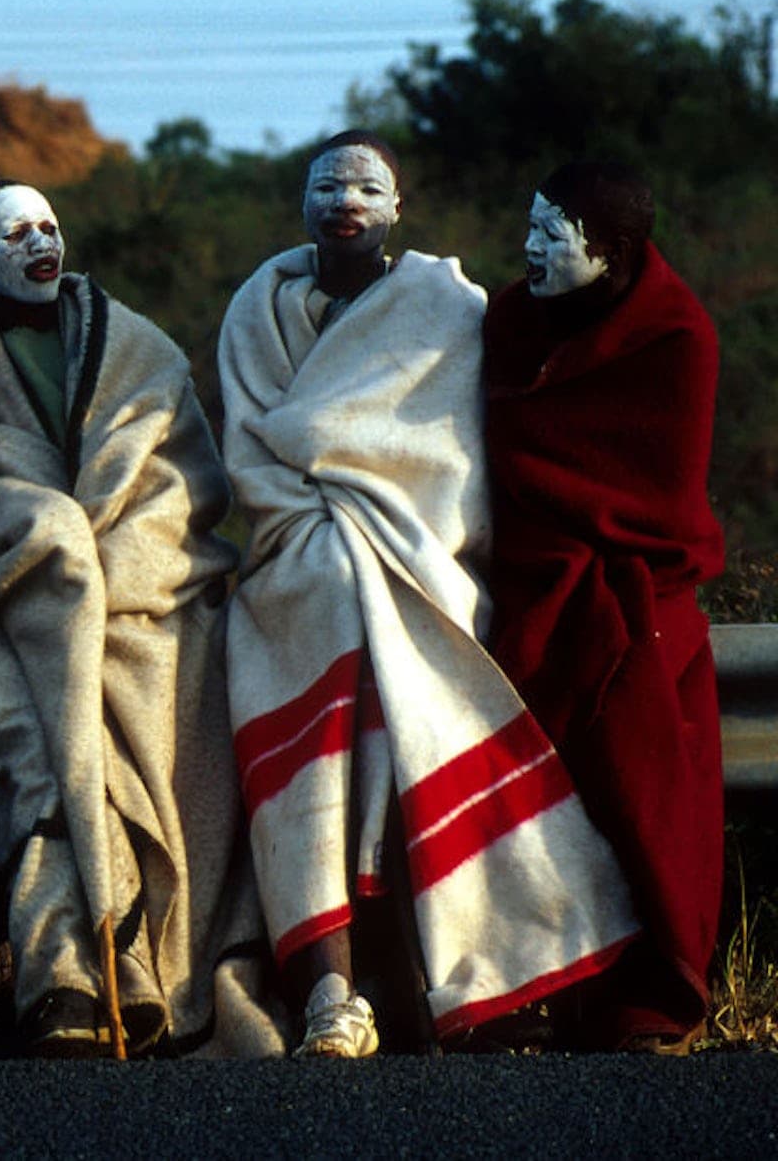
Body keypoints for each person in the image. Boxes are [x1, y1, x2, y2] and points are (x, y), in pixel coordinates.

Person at [218, 131, 637, 1058]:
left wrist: (366, 517)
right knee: (329, 601)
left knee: (390, 663)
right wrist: (325, 518)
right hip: (293, 555)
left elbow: (448, 457)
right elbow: (251, 458)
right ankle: (332, 987)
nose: (346, 197)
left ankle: (451, 979)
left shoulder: (444, 306)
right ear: (303, 203)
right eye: (327, 182)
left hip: (420, 554)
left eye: (368, 185)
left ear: (398, 207)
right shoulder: (256, 309)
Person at [0, 181, 283, 1057]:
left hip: (154, 596)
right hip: (24, 606)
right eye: (13, 233)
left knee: (172, 717)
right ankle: (66, 976)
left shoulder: (136, 345)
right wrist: (52, 556)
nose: (37, 243)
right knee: (34, 748)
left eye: (48, 226)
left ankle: (170, 971)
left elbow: (182, 483)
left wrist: (117, 573)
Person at [484, 162, 725, 1053]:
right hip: (530, 570)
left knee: (639, 731)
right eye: (532, 228)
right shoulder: (512, 319)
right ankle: (525, 976)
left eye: (553, 236)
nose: (530, 249)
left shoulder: (676, 336)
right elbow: (499, 449)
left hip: (641, 582)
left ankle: (649, 981)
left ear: (612, 254)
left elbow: (658, 498)